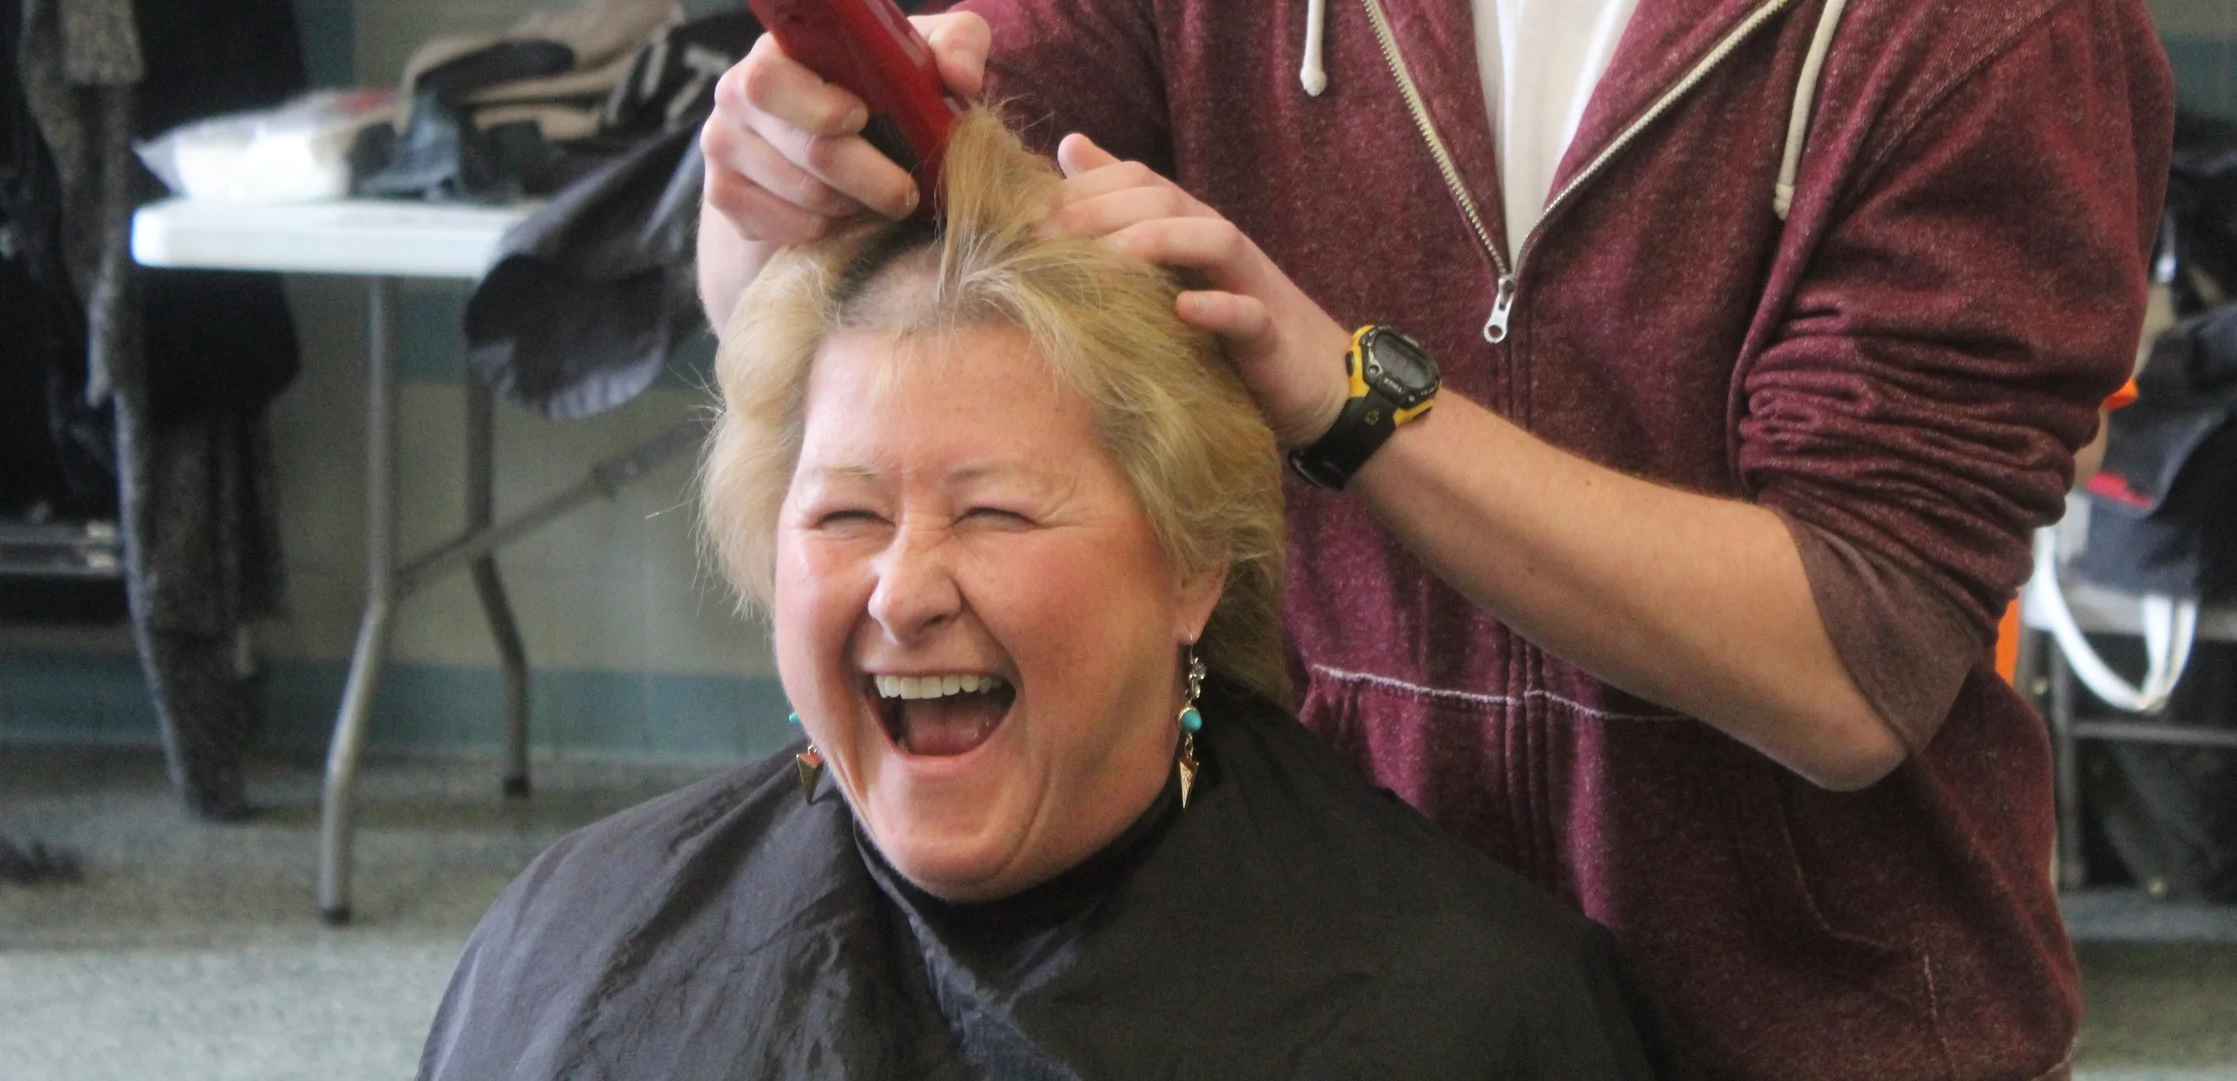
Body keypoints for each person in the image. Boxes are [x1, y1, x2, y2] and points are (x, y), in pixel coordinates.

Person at [699, 0, 2172, 1074]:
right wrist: (769, 194)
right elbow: (849, 307)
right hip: (1334, 1010)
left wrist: (1353, 396)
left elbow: (1847, 669)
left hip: (1795, 1027)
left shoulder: (1968, 1)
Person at [421, 109, 1679, 1080]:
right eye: (844, 515)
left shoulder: (1466, 1014)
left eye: (995, 511)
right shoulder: (575, 943)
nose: (903, 592)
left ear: (1192, 563)